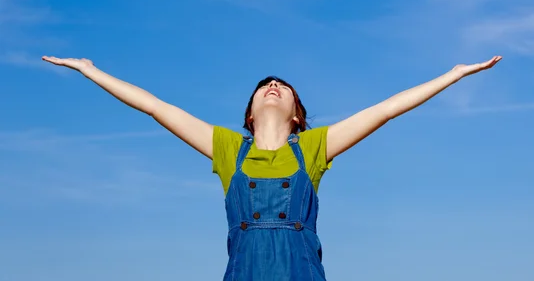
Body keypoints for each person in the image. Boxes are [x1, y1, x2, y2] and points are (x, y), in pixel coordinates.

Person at [41, 54, 502, 280]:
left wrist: (454, 74)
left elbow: (386, 109)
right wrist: (91, 70)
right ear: (249, 114)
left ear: (298, 115)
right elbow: (155, 107)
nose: (273, 85)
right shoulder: (227, 150)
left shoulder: (314, 149)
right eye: (265, 85)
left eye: (282, 85)